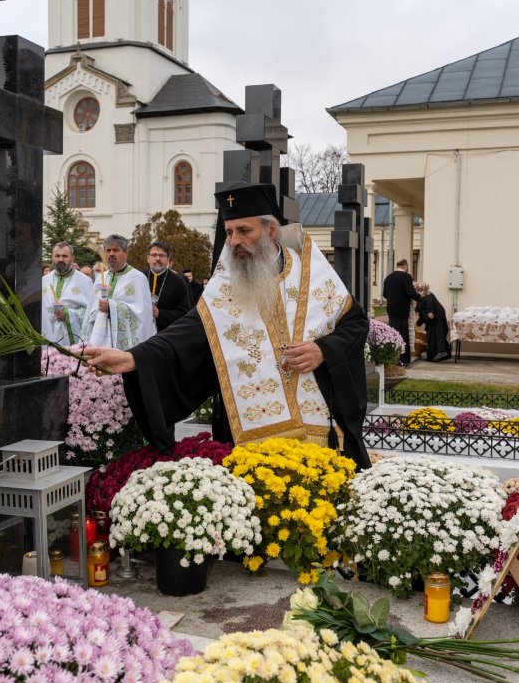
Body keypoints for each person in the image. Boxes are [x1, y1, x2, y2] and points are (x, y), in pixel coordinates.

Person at [84, 183, 372, 470]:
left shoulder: (312, 274)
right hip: (249, 434)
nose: (234, 241)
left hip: (319, 425)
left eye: (244, 231)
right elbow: (184, 334)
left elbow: (355, 324)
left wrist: (322, 350)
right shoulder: (225, 286)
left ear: (270, 231)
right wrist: (133, 358)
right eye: (230, 231)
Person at [82, 234, 155, 349]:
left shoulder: (138, 278)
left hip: (124, 346)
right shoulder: (99, 278)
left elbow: (142, 316)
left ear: (126, 253)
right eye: (108, 250)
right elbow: (89, 312)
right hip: (99, 338)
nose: (111, 254)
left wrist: (111, 307)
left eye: (116, 250)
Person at [41, 242, 94, 345]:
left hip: (72, 341)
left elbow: (90, 314)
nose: (60, 259)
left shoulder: (85, 282)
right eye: (57, 256)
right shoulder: (43, 281)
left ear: (72, 258)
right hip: (46, 338)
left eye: (65, 256)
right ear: (52, 257)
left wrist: (68, 315)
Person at [146, 241, 192, 331]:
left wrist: (160, 314)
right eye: (154, 255)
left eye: (162, 255)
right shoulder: (140, 277)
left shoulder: (178, 282)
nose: (158, 258)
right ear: (148, 258)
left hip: (166, 334)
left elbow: (185, 314)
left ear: (168, 260)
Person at [382, 259, 420, 366]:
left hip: (391, 309)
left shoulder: (388, 278)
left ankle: (393, 358)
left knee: (393, 332)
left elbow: (385, 295)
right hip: (402, 309)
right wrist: (420, 297)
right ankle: (403, 359)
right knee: (403, 333)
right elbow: (411, 292)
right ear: (405, 266)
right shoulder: (406, 277)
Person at [414, 282, 451, 362]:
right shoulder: (422, 297)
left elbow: (429, 304)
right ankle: (434, 355)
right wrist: (417, 323)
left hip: (436, 318)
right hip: (435, 318)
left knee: (437, 335)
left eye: (417, 290)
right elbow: (423, 313)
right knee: (431, 336)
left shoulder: (427, 295)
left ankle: (441, 352)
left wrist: (430, 312)